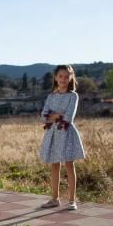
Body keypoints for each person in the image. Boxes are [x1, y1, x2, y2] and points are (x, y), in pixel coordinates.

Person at [39, 64, 85, 210]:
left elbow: (69, 117)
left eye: (66, 76)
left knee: (69, 165)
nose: (63, 79)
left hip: (66, 134)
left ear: (71, 78)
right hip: (53, 134)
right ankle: (54, 198)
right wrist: (56, 116)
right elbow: (43, 116)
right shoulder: (51, 96)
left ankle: (72, 200)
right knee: (54, 165)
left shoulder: (73, 96)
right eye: (60, 76)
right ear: (55, 77)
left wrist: (53, 116)